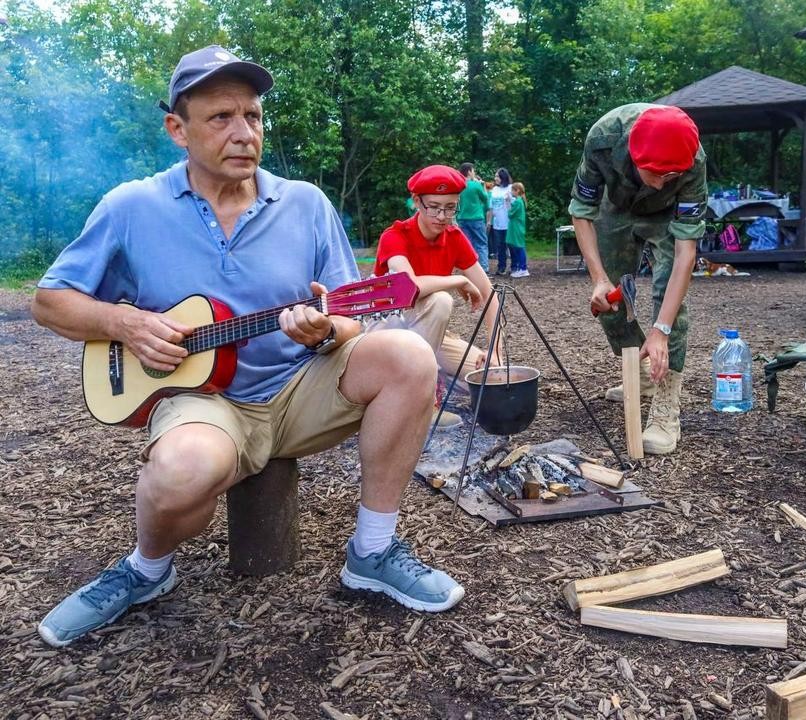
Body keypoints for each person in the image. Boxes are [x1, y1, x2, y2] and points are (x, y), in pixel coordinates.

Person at [30, 45, 464, 648]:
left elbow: (351, 315)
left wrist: (326, 329)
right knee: (184, 472)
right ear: (177, 129)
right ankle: (146, 569)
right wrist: (125, 325)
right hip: (201, 399)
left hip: (299, 387)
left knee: (409, 354)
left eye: (253, 116)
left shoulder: (306, 204)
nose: (244, 133)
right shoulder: (132, 206)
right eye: (221, 118)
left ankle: (372, 549)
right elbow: (49, 300)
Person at [569, 104, 706, 455]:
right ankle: (638, 372)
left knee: (669, 299)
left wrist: (661, 329)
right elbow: (582, 212)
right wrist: (599, 279)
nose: (661, 182)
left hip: (667, 217)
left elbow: (685, 254)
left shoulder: (692, 160)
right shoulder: (603, 139)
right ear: (633, 153)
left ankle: (665, 403)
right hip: (616, 209)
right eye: (655, 173)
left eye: (670, 175)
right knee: (611, 298)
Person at [373, 165, 503, 428]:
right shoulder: (395, 236)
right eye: (434, 206)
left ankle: (423, 382)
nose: (442, 216)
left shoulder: (454, 238)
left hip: (430, 335)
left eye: (450, 207)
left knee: (494, 379)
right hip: (387, 331)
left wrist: (494, 349)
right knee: (441, 300)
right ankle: (422, 404)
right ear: (417, 202)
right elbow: (409, 287)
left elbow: (489, 294)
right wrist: (457, 279)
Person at [455, 163, 490, 272]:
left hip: (462, 218)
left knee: (468, 245)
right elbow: (485, 198)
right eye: (473, 170)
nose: (474, 173)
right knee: (481, 243)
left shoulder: (459, 186)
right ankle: (484, 268)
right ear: (469, 171)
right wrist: (482, 186)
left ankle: (470, 269)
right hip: (476, 218)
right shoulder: (475, 185)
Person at [488, 168, 513, 275]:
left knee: (511, 245)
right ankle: (501, 267)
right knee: (500, 246)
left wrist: (509, 200)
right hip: (497, 222)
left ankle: (515, 266)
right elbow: (491, 207)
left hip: (508, 222)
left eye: (497, 176)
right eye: (495, 176)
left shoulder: (510, 188)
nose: (495, 178)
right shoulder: (494, 190)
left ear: (503, 177)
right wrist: (489, 221)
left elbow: (515, 205)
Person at [507, 182, 528, 278]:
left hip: (516, 228)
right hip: (518, 227)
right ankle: (521, 268)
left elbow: (510, 214)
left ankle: (523, 268)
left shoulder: (517, 202)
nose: (511, 192)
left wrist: (508, 203)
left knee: (519, 247)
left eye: (512, 190)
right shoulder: (520, 201)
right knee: (519, 247)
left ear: (517, 191)